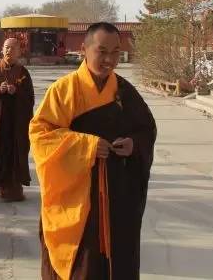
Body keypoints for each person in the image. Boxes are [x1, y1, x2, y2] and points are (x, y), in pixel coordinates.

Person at [30, 22, 157, 280]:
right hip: (78, 197)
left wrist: (134, 144)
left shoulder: (124, 92)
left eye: (115, 52)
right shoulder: (64, 90)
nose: (109, 59)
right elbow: (40, 135)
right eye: (102, 51)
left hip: (118, 195)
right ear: (84, 50)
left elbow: (147, 130)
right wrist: (86, 146)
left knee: (118, 259)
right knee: (82, 264)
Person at [0, 38, 34, 202]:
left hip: (16, 122)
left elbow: (30, 98)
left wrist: (16, 91)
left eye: (13, 48)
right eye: (6, 48)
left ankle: (12, 185)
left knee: (15, 152)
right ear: (1, 50)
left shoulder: (23, 72)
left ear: (19, 51)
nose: (9, 51)